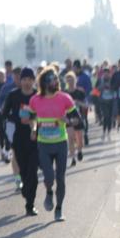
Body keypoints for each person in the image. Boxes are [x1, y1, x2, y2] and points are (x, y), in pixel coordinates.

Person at [30, 67, 80, 221]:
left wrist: (68, 120)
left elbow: (77, 119)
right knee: (49, 177)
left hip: (60, 144)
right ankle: (49, 192)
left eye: (57, 78)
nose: (57, 81)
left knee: (61, 178)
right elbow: (32, 117)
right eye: (53, 79)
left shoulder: (65, 98)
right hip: (43, 144)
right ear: (45, 82)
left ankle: (59, 209)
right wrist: (33, 129)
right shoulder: (35, 100)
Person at [3, 68, 41, 216]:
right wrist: (18, 119)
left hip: (35, 137)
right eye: (24, 79)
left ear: (33, 80)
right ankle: (26, 191)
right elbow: (4, 114)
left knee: (33, 172)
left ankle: (30, 205)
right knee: (24, 170)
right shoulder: (13, 95)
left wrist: (32, 120)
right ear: (20, 80)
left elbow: (44, 113)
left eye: (29, 79)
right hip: (18, 137)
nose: (27, 82)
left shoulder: (38, 95)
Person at [64, 72, 86, 166]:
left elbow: (85, 104)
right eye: (68, 80)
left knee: (79, 138)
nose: (70, 82)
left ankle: (79, 151)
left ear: (75, 80)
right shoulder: (64, 93)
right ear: (66, 81)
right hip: (68, 117)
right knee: (70, 138)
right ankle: (73, 158)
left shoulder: (80, 92)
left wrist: (77, 102)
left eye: (72, 80)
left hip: (78, 116)